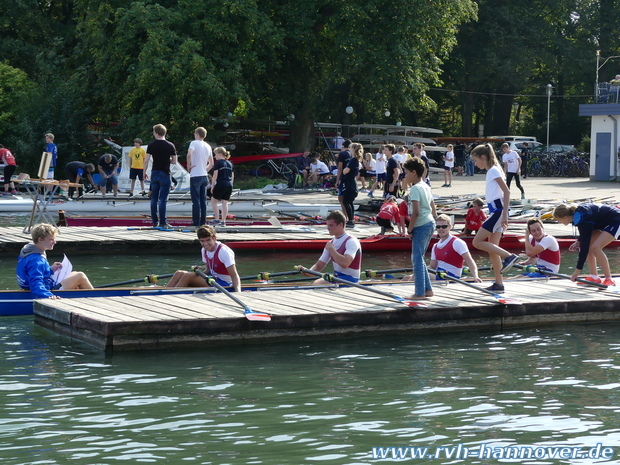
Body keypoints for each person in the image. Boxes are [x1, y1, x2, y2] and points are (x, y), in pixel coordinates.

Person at [470, 144, 519, 292]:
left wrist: (504, 215)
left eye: (475, 160)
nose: (474, 163)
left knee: (477, 241)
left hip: (498, 212)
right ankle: (499, 284)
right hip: (496, 211)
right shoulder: (493, 170)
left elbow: (507, 191)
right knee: (493, 250)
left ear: (483, 157)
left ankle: (509, 257)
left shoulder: (492, 170)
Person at [16, 223, 93, 299]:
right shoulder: (37, 260)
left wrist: (51, 269)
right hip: (47, 290)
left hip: (42, 285)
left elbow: (33, 273)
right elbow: (35, 284)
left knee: (75, 273)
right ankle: (96, 298)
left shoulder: (29, 252)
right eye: (51, 239)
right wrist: (48, 296)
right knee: (80, 276)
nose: (55, 242)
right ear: (40, 239)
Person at [553, 203, 620, 287]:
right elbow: (586, 234)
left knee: (595, 247)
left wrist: (577, 271)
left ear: (565, 217)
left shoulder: (584, 218)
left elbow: (584, 248)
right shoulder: (579, 217)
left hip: (616, 220)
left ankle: (609, 279)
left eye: (558, 220)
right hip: (603, 221)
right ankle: (594, 277)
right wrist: (578, 241)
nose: (559, 222)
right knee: (589, 247)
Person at [404, 214, 481, 283]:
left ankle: (415, 294)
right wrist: (415, 272)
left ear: (450, 227)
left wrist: (476, 276)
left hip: (452, 277)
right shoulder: (435, 246)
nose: (441, 229)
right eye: (438, 227)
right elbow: (432, 266)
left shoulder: (457, 242)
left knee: (417, 276)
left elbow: (469, 260)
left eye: (444, 226)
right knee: (409, 277)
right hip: (439, 275)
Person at [166, 225, 241, 292]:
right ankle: (164, 291)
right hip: (212, 279)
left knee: (187, 276)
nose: (205, 244)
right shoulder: (204, 250)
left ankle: (171, 294)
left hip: (224, 284)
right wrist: (198, 272)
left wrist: (238, 293)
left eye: (208, 240)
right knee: (179, 273)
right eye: (202, 241)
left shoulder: (224, 251)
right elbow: (208, 270)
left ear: (214, 238)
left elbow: (234, 275)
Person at [297, 210, 361, 285]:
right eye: (327, 225)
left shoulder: (351, 241)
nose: (328, 228)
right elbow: (318, 266)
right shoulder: (331, 243)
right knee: (309, 285)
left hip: (351, 280)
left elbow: (345, 263)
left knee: (312, 285)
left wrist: (331, 249)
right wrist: (307, 271)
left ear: (341, 225)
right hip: (337, 277)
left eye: (331, 225)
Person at [404, 157, 436, 300]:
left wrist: (409, 230)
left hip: (421, 225)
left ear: (414, 172)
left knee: (416, 259)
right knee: (420, 258)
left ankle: (419, 293)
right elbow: (433, 209)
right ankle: (428, 290)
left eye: (406, 173)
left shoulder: (415, 188)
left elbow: (415, 212)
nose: (405, 176)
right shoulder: (426, 186)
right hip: (429, 223)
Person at [145, 123, 178, 229]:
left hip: (154, 173)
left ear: (156, 133)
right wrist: (166, 159)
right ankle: (163, 222)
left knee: (154, 198)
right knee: (163, 199)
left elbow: (146, 160)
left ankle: (155, 222)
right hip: (165, 173)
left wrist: (143, 172)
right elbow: (174, 161)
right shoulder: (170, 145)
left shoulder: (151, 145)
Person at [187, 127, 214, 227]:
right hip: (204, 176)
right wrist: (204, 170)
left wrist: (189, 166)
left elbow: (189, 154)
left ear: (197, 134)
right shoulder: (208, 146)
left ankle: (195, 222)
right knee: (203, 200)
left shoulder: (194, 143)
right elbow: (211, 163)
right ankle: (203, 222)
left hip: (195, 175)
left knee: (196, 201)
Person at [210, 147, 234, 227]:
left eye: (215, 154)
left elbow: (215, 175)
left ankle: (217, 219)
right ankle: (223, 221)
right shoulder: (230, 163)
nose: (215, 156)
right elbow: (232, 176)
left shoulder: (218, 163)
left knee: (213, 201)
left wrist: (212, 186)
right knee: (225, 203)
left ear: (220, 154)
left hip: (221, 183)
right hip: (229, 184)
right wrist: (231, 184)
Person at [336, 139, 352, 215]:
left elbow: (340, 168)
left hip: (343, 178)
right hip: (351, 178)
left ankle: (345, 216)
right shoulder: (352, 154)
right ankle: (348, 215)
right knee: (347, 199)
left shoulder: (342, 154)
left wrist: (337, 180)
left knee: (341, 199)